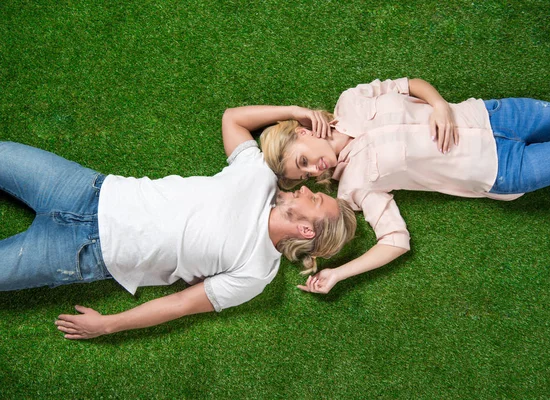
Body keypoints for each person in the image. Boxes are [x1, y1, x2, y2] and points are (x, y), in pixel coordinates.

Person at [0, 122, 356, 339]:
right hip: (86, 190)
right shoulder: (260, 175)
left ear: (308, 231)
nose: (309, 188)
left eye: (316, 200)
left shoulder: (257, 272)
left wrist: (108, 325)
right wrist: (293, 109)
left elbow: (182, 303)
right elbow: (234, 120)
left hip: (82, 254)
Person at [248, 77, 550, 294]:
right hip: (505, 168)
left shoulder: (350, 101)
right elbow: (395, 241)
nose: (314, 170)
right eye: (306, 175)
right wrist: (339, 273)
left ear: (303, 131)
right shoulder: (353, 187)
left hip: (500, 114)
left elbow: (409, 84)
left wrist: (439, 106)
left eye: (303, 160)